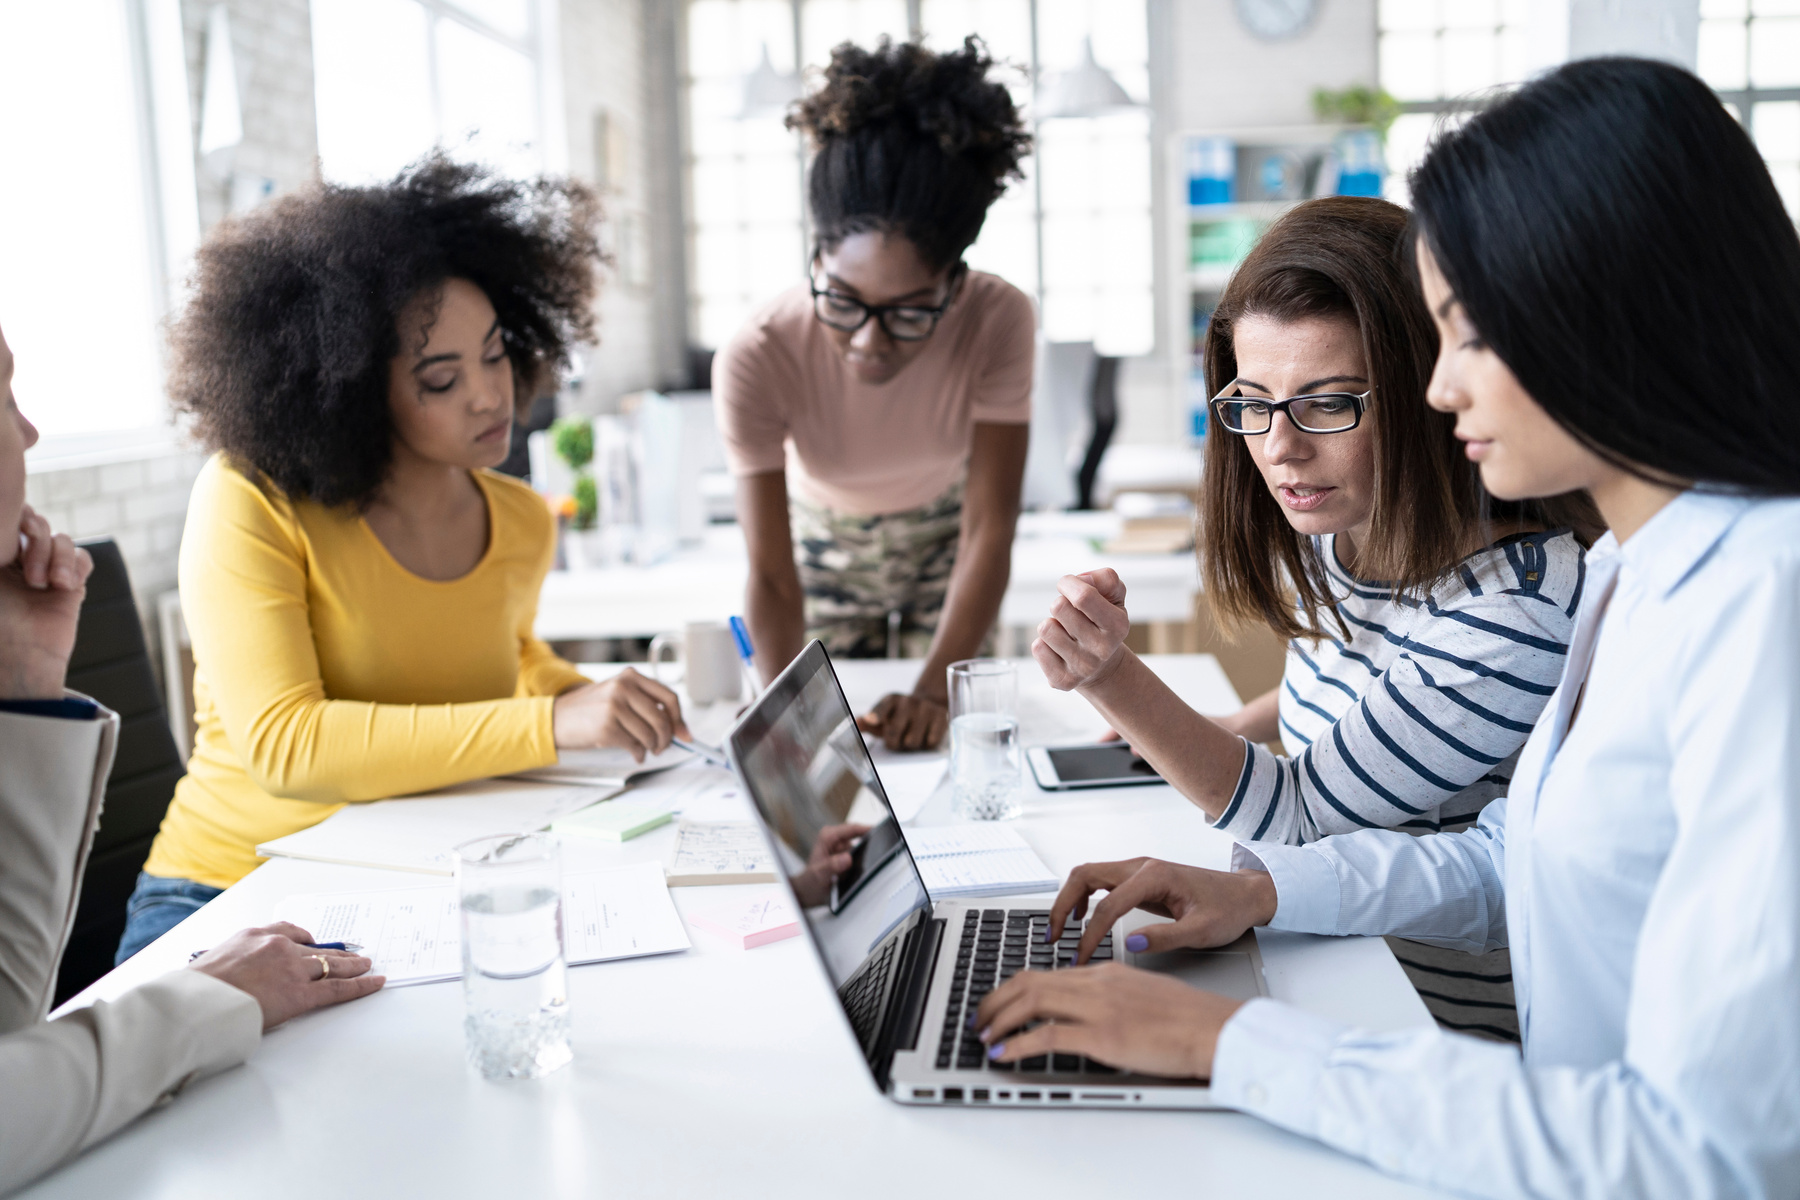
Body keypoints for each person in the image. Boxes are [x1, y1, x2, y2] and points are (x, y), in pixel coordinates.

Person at [976, 58, 1800, 1197]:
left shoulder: (1761, 608)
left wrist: (1222, 1044)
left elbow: (1707, 1153)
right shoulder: (1636, 569)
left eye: (1467, 334)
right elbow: (1520, 852)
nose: (1443, 390)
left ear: (1607, 311)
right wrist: (1264, 893)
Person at [1035, 195, 1593, 1039]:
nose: (1281, 447)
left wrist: (1114, 680)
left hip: (1427, 1016)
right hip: (1334, 951)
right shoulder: (1349, 529)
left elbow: (1296, 820)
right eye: (1252, 403)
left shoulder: (1514, 611)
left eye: (1329, 403)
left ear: (1428, 392)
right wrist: (1235, 722)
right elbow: (1371, 689)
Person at [120, 156, 689, 962]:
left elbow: (503, 650)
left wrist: (591, 697)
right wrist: (550, 721)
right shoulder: (255, 498)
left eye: (494, 355)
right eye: (440, 380)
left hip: (408, 878)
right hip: (228, 896)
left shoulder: (521, 519)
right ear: (351, 386)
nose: (490, 396)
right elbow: (288, 746)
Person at [0, 322, 383, 1195]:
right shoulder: (249, 495)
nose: (29, 435)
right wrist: (209, 1001)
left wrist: (23, 683)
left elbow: (8, 1024)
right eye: (4, 399)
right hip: (211, 895)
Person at [714, 36, 1036, 752]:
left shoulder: (1000, 319)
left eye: (910, 310)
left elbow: (990, 529)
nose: (869, 341)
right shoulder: (757, 353)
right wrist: (784, 716)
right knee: (834, 745)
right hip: (824, 547)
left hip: (949, 546)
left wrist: (932, 692)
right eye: (845, 300)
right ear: (816, 257)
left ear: (956, 280)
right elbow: (770, 570)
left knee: (951, 736)